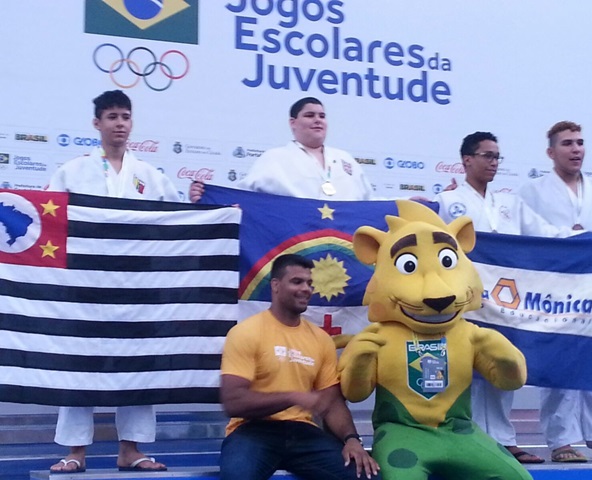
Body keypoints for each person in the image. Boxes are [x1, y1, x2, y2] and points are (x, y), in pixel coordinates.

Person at [47, 90, 180, 473]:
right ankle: (75, 451)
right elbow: (48, 221)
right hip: (85, 284)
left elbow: (178, 218)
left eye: (125, 116)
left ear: (131, 122)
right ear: (97, 124)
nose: (119, 123)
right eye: (111, 117)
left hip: (137, 284)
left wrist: (210, 202)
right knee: (77, 366)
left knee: (138, 365)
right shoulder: (72, 172)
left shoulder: (150, 175)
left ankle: (131, 449)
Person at [435, 131, 566, 464]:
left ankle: (504, 440)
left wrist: (587, 241)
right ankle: (471, 441)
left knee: (500, 366)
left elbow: (545, 234)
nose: (494, 162)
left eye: (497, 157)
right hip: (464, 301)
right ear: (467, 159)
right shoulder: (448, 202)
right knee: (467, 372)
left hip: (506, 300)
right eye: (487, 156)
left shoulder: (509, 203)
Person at [519, 121, 592, 463]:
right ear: (551, 152)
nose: (576, 149)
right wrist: (565, 237)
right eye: (568, 143)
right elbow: (525, 235)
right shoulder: (532, 192)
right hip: (556, 294)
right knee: (562, 366)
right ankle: (562, 441)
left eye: (580, 143)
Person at [219, 254, 379, 480]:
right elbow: (233, 403)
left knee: (366, 475)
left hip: (303, 433)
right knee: (237, 476)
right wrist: (293, 397)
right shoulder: (246, 332)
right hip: (252, 431)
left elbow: (331, 402)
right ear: (275, 285)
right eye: (297, 282)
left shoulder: (320, 339)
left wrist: (352, 439)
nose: (306, 289)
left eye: (310, 283)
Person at [190, 96, 375, 202]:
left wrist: (399, 204)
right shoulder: (275, 158)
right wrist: (207, 198)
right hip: (296, 243)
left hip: (344, 243)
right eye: (309, 115)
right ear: (292, 123)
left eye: (322, 116)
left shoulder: (345, 159)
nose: (318, 120)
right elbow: (243, 198)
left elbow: (369, 204)